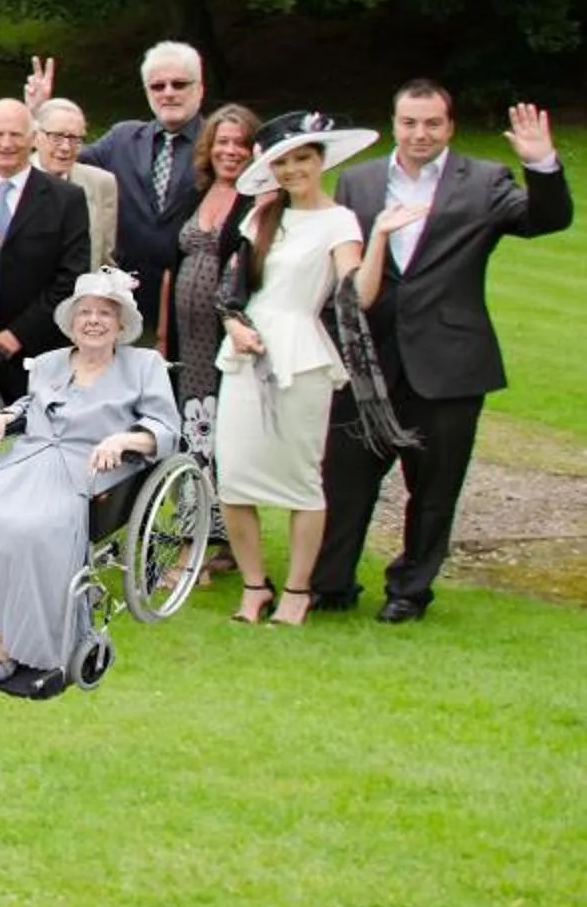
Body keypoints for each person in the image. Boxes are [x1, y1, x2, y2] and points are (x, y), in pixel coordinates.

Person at [312, 89, 568, 622]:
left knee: (433, 489)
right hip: (368, 359)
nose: (420, 134)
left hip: (449, 362)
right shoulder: (360, 181)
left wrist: (541, 164)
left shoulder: (483, 181)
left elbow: (545, 220)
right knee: (345, 478)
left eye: (432, 123)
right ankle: (331, 584)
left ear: (450, 126)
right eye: (409, 122)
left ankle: (409, 591)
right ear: (394, 123)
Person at [0, 268, 179, 699]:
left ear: (121, 324)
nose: (93, 321)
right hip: (32, 457)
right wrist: (3, 417)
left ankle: (10, 644)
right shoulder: (51, 361)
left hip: (92, 466)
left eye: (105, 313)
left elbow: (165, 427)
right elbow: (31, 403)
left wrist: (123, 439)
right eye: (85, 313)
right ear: (72, 322)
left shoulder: (143, 366)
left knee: (35, 530)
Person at [212, 111, 388, 628]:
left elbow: (357, 295)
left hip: (301, 355)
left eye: (302, 159)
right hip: (246, 354)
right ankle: (254, 585)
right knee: (234, 479)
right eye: (282, 162)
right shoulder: (262, 217)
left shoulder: (340, 221)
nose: (292, 170)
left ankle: (297, 589)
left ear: (320, 160)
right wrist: (234, 325)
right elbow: (232, 290)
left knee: (301, 479)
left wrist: (380, 238)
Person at [35, 41, 203, 338]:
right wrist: (41, 116)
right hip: (122, 302)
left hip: (189, 301)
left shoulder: (218, 144)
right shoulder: (123, 138)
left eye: (179, 84)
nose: (168, 93)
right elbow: (59, 158)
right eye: (158, 86)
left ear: (199, 88)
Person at [0, 99, 92, 407]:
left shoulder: (66, 198)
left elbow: (71, 278)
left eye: (16, 134)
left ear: (33, 138)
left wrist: (17, 335)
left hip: (39, 351)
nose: (6, 143)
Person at [168, 104, 262, 431]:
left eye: (241, 143)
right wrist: (163, 333)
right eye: (222, 142)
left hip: (225, 329)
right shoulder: (195, 193)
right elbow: (171, 264)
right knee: (186, 406)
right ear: (209, 147)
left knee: (222, 411)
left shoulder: (259, 201)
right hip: (185, 331)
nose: (230, 151)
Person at [31, 98, 118, 269]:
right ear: (34, 137)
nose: (66, 147)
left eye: (75, 139)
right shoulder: (8, 181)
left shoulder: (102, 183)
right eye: (57, 137)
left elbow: (104, 260)